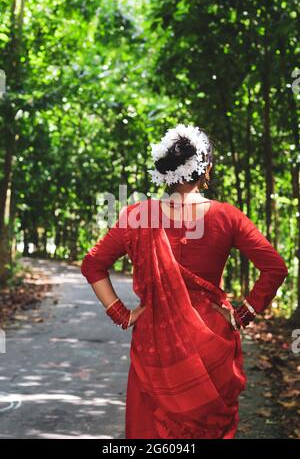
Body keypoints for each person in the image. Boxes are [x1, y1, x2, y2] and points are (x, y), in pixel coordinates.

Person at [80, 124, 288, 439]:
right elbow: (275, 267)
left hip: (156, 338)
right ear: (207, 168)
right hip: (212, 338)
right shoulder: (228, 217)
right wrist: (243, 314)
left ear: (167, 170)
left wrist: (121, 314)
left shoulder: (139, 216)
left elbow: (93, 264)